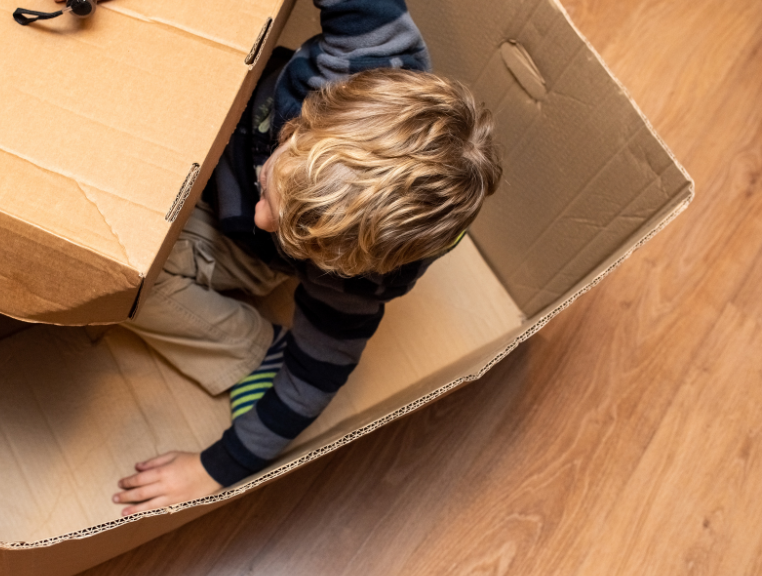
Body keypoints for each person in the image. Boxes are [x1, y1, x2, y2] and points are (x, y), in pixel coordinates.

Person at [109, 0, 502, 516]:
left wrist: (214, 468)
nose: (262, 218)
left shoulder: (356, 280)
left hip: (228, 239)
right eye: (275, 189)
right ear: (313, 116)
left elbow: (314, 378)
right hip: (211, 126)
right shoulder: (367, 57)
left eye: (297, 238)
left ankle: (250, 349)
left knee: (125, 279)